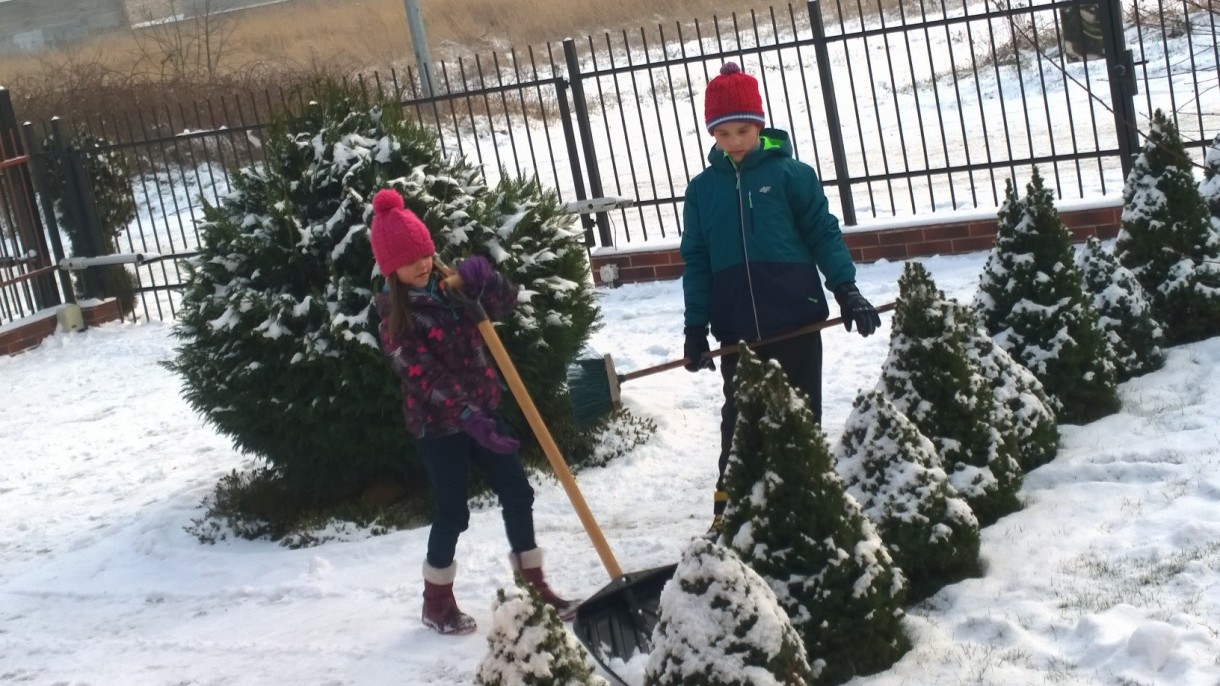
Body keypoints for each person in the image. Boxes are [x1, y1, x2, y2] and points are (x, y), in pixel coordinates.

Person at [680, 62, 882, 537]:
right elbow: (697, 261)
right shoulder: (702, 191)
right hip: (737, 331)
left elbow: (822, 233)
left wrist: (845, 288)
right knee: (739, 422)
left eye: (743, 130)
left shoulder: (792, 175)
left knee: (799, 415)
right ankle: (728, 516)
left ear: (761, 125)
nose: (734, 142)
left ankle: (809, 508)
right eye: (723, 133)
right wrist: (695, 327)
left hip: (795, 321)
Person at [369, 188, 576, 634]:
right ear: (392, 270)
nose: (422, 264)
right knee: (453, 512)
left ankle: (535, 585)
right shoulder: (396, 318)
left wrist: (489, 280)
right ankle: (436, 601)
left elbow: (505, 302)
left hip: (484, 410)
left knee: (518, 492)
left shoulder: (452, 289)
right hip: (440, 427)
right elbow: (422, 377)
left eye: (425, 253)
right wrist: (466, 417)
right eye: (410, 261)